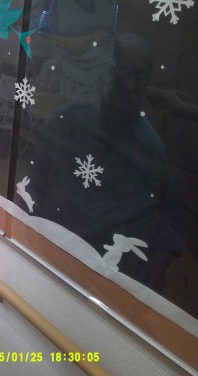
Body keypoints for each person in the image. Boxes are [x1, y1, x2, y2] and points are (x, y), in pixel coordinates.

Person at [25, 34, 183, 290]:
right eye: (121, 70)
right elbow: (31, 189)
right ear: (105, 72)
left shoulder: (152, 149)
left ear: (146, 83)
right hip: (48, 262)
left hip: (112, 283)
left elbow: (170, 218)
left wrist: (154, 273)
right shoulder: (66, 123)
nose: (128, 84)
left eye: (138, 76)